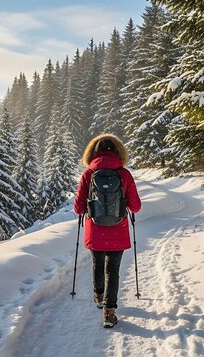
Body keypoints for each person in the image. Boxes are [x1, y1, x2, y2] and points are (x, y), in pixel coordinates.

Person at [73, 133, 141, 328]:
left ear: (93, 153)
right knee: (113, 270)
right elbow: (135, 207)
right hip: (118, 230)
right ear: (118, 152)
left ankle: (99, 296)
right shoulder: (124, 174)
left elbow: (78, 208)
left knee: (98, 263)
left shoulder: (88, 174)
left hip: (96, 229)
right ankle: (109, 313)